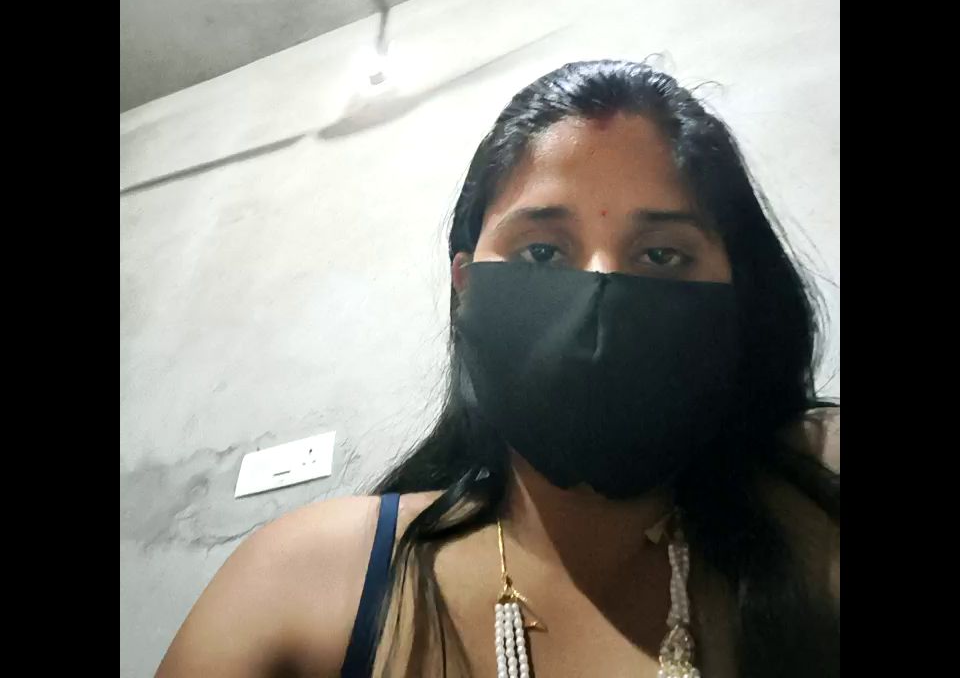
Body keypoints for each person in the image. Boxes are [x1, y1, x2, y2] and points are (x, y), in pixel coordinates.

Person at [157, 59, 840, 678]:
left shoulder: (816, 504)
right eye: (542, 252)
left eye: (661, 255)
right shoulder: (304, 579)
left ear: (737, 292)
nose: (600, 291)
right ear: (465, 286)